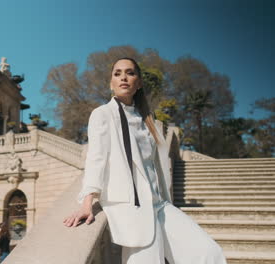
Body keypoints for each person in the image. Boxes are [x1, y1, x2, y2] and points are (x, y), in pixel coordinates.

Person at [63, 58, 226, 264]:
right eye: (117, 73)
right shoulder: (103, 114)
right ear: (111, 82)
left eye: (130, 73)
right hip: (132, 207)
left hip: (159, 205)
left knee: (208, 252)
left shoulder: (149, 121)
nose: (123, 77)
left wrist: (165, 199)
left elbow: (155, 168)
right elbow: (97, 159)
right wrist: (87, 202)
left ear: (138, 82)